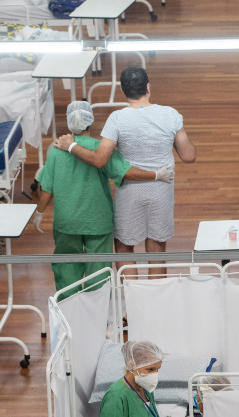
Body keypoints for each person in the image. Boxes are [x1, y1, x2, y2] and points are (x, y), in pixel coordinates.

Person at [54, 66, 196, 270]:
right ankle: (156, 298)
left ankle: (130, 299)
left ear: (123, 92)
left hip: (129, 193)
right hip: (161, 191)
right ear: (148, 87)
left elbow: (100, 159)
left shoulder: (117, 119)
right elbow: (188, 155)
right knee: (157, 246)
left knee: (123, 245)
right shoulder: (171, 115)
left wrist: (72, 146)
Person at [34, 101, 171, 296]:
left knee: (66, 268)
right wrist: (156, 175)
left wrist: (39, 213)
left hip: (66, 222)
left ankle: (69, 313)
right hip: (97, 220)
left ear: (68, 121)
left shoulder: (57, 150)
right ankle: (96, 314)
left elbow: (46, 188)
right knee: (98, 272)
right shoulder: (100, 149)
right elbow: (126, 172)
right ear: (92, 120)